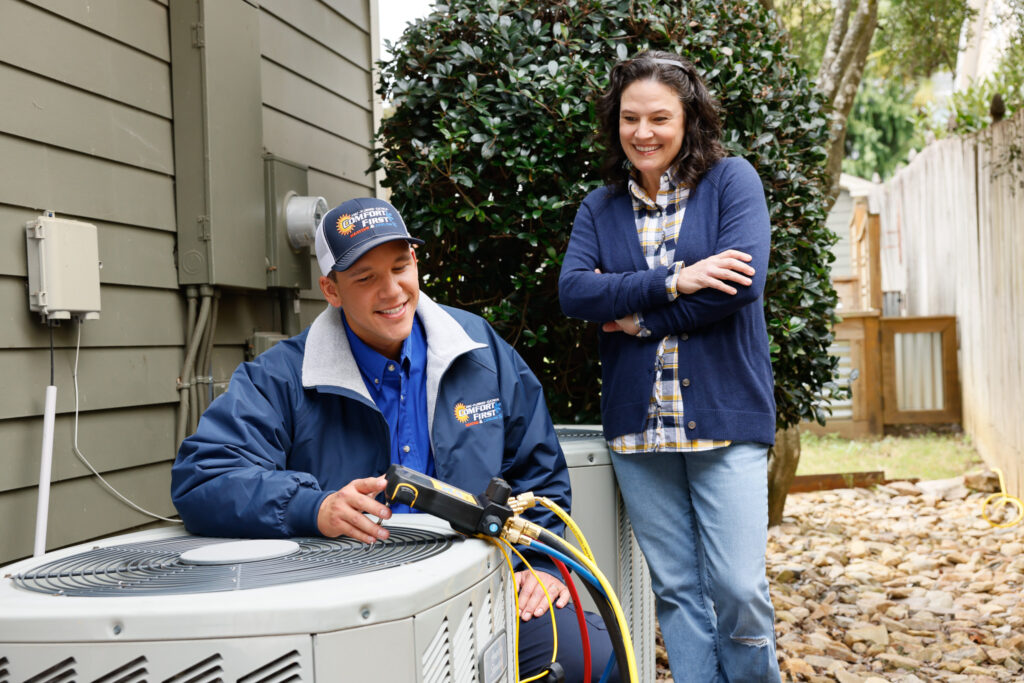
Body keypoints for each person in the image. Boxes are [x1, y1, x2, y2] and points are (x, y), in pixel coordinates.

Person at [172, 197, 618, 682]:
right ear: (331, 289)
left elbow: (540, 478)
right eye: (365, 278)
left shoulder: (480, 350)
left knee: (589, 659)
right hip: (344, 609)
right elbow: (203, 478)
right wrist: (313, 507)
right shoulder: (281, 377)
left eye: (401, 266)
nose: (392, 291)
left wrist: (542, 569)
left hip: (481, 588)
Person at [558, 51, 781, 682]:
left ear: (688, 120)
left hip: (725, 419)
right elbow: (576, 292)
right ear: (615, 122)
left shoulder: (731, 182)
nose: (643, 132)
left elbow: (739, 286)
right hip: (640, 428)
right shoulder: (599, 209)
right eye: (631, 118)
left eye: (659, 117)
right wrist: (677, 279)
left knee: (739, 586)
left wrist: (641, 315)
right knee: (678, 591)